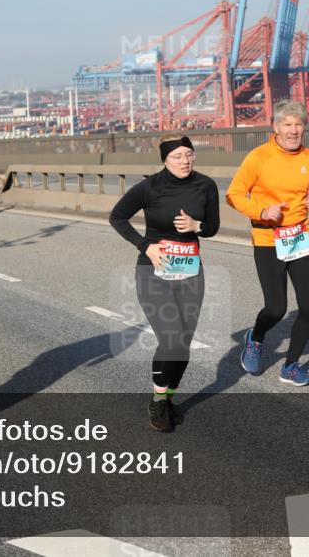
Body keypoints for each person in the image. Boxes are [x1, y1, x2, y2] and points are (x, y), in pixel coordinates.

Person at [110, 135, 220, 431]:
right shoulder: (150, 187)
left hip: (190, 272)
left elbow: (213, 227)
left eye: (189, 154)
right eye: (177, 156)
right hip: (153, 271)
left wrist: (198, 226)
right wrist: (145, 245)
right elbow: (117, 217)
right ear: (164, 160)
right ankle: (158, 400)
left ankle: (169, 397)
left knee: (182, 343)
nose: (184, 161)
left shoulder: (206, 185)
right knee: (170, 338)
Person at [226, 99, 309, 386]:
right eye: (287, 124)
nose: (293, 130)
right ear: (275, 127)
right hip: (267, 239)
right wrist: (260, 211)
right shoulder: (259, 157)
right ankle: (256, 337)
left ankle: (292, 366)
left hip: (300, 237)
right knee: (276, 309)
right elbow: (234, 194)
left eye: (298, 124)